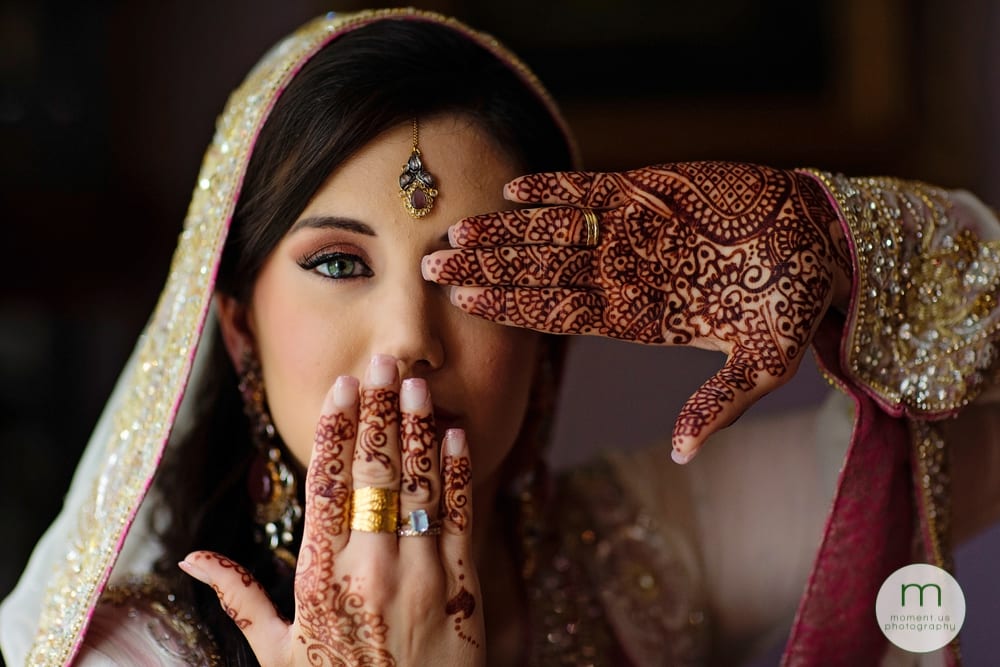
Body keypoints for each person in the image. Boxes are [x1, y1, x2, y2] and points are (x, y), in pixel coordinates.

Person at [3, 7, 999, 666]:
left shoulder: (626, 555)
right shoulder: (136, 650)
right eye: (340, 264)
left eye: (474, 282)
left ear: (549, 338)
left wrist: (831, 251)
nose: (405, 340)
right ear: (236, 332)